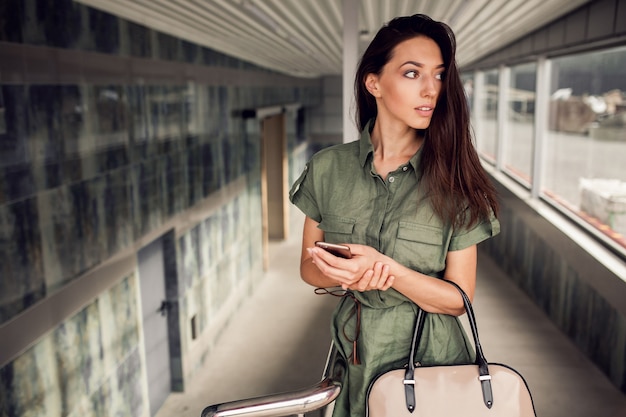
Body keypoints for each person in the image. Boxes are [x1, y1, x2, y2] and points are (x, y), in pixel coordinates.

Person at [289, 14, 500, 417]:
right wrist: (341, 272)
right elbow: (307, 267)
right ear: (374, 83)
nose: (430, 89)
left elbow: (459, 299)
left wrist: (390, 271)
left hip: (431, 362)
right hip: (354, 355)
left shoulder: (455, 177)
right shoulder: (328, 168)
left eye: (439, 76)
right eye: (411, 73)